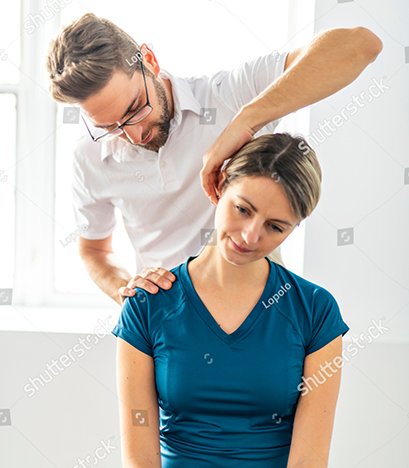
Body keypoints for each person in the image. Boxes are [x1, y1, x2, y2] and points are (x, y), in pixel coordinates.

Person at [46, 14, 382, 306]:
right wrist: (126, 290)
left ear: (148, 59)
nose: (134, 134)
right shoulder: (88, 158)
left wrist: (245, 121)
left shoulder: (227, 96)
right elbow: (95, 251)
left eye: (135, 109)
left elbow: (360, 45)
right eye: (110, 127)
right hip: (170, 319)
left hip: (262, 309)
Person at [111, 132, 350, 468]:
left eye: (275, 226)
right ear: (220, 184)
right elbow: (138, 457)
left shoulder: (315, 311)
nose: (250, 235)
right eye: (242, 209)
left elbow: (309, 460)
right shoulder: (148, 304)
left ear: (293, 229)